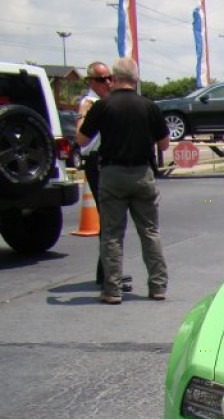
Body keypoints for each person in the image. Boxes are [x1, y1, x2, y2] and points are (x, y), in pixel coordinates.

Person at [76, 57, 170, 305]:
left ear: (114, 79)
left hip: (112, 174)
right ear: (136, 79)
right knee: (150, 231)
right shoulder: (150, 107)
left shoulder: (103, 106)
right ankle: (158, 286)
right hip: (142, 173)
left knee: (112, 234)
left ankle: (113, 289)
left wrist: (82, 118)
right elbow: (164, 144)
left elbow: (82, 140)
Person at [77, 61, 120, 287]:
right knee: (109, 218)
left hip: (107, 161)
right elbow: (82, 139)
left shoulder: (104, 103)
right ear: (91, 81)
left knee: (110, 219)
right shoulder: (90, 103)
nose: (107, 83)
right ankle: (107, 274)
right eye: (101, 79)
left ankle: (106, 270)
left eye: (109, 78)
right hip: (96, 162)